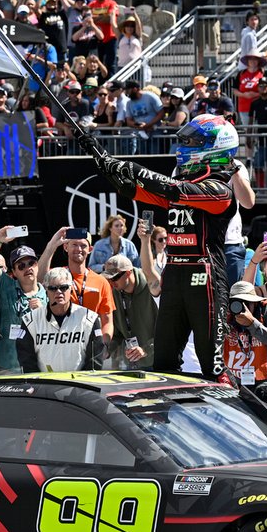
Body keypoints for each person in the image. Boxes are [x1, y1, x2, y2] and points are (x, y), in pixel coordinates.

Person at [90, 113, 243, 378]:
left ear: (216, 147)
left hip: (205, 278)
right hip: (174, 276)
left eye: (194, 143)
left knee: (213, 367)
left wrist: (130, 167)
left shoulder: (220, 190)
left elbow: (173, 189)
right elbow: (132, 189)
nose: (185, 148)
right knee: (164, 362)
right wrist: (102, 159)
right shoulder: (184, 187)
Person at [16, 267, 104, 372]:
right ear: (46, 290)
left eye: (63, 287)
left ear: (71, 289)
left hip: (80, 384)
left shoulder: (89, 318)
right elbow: (26, 360)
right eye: (53, 288)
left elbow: (95, 359)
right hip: (44, 384)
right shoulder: (30, 320)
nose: (58, 292)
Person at [0, 232, 46, 373]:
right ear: (14, 272)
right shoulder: (6, 286)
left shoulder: (48, 293)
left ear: (37, 266)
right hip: (6, 365)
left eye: (31, 263)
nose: (27, 268)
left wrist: (43, 311)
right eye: (21, 266)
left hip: (37, 366)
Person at [39, 227, 115, 342]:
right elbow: (39, 279)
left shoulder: (101, 281)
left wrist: (104, 345)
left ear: (90, 249)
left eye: (83, 245)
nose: (79, 249)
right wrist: (51, 246)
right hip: (61, 342)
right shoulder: (57, 276)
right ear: (65, 247)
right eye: (74, 244)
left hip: (90, 344)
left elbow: (107, 321)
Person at [222, 280, 267, 389]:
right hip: (234, 382)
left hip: (265, 381)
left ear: (254, 302)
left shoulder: (266, 310)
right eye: (237, 302)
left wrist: (252, 324)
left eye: (246, 302)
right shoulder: (225, 314)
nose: (242, 307)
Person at [103, 253, 158, 369]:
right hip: (131, 365)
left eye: (115, 277)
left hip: (158, 363)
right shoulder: (114, 292)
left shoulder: (151, 287)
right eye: (109, 278)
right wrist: (107, 349)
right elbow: (117, 333)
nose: (111, 282)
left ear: (128, 273)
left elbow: (167, 329)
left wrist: (146, 349)